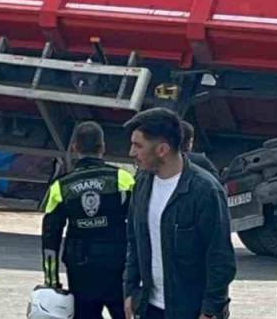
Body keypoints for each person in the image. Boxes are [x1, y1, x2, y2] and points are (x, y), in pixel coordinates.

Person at [123, 108, 235, 319]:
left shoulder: (204, 190)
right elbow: (133, 241)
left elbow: (220, 257)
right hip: (149, 307)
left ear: (162, 149)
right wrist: (129, 291)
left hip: (191, 310)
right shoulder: (142, 183)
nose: (131, 153)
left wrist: (210, 311)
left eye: (138, 145)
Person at [42, 121, 134, 319]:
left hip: (81, 270)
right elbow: (142, 225)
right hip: (118, 267)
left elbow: (50, 239)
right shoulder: (123, 179)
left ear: (74, 147)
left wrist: (51, 281)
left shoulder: (60, 187)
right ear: (103, 147)